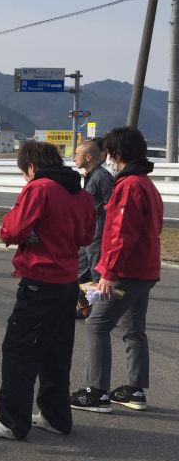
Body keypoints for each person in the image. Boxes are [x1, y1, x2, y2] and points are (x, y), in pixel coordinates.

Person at [0, 141, 95, 440]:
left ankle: (11, 420)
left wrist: (22, 233)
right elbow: (86, 236)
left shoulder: (39, 188)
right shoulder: (80, 193)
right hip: (68, 282)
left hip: (40, 280)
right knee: (56, 352)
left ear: (30, 166)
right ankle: (55, 416)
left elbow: (12, 230)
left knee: (19, 350)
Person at [70, 127, 163, 414]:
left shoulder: (129, 186)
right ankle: (134, 389)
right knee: (133, 329)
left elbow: (121, 234)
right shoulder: (146, 183)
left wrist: (109, 273)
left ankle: (97, 391)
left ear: (117, 153)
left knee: (96, 325)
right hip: (145, 269)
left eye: (110, 152)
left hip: (126, 272)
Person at [72, 139, 114, 283]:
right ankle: (82, 298)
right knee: (79, 274)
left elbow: (111, 206)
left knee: (97, 274)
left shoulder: (102, 177)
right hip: (88, 233)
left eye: (77, 154)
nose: (74, 158)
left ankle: (99, 298)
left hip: (98, 233)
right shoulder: (90, 176)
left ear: (88, 157)